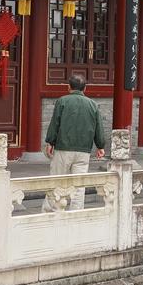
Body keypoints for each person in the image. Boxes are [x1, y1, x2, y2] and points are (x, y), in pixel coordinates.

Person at [44, 74, 106, 210]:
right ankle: (76, 213)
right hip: (83, 152)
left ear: (68, 87)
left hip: (63, 148)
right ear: (85, 88)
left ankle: (53, 212)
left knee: (57, 181)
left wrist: (50, 142)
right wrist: (100, 146)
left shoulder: (62, 101)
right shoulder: (93, 105)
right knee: (79, 186)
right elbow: (98, 127)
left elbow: (55, 123)